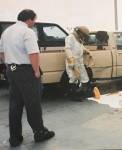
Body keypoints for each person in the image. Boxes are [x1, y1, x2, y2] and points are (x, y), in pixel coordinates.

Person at [0, 9, 55, 147]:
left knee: (15, 104)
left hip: (11, 70)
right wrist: (36, 71)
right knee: (33, 103)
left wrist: (10, 65)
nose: (34, 23)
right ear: (29, 19)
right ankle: (40, 132)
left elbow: (1, 52)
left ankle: (15, 137)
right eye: (34, 20)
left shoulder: (7, 31)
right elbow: (33, 53)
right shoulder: (27, 32)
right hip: (26, 71)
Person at [65, 26, 91, 101]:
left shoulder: (79, 39)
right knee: (74, 78)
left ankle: (82, 93)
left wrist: (86, 51)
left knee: (84, 78)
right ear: (80, 32)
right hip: (72, 62)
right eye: (83, 34)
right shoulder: (70, 37)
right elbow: (67, 49)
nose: (83, 36)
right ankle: (73, 96)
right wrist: (71, 61)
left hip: (80, 62)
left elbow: (81, 47)